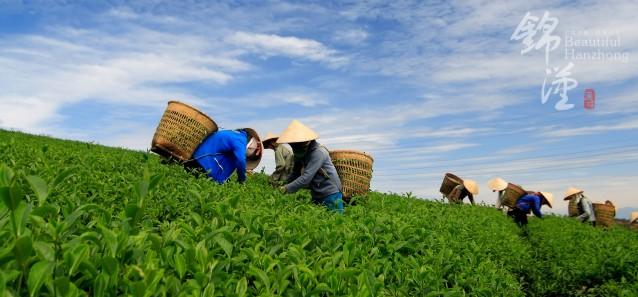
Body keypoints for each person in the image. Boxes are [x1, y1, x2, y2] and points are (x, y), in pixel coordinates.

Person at [277, 120, 344, 214]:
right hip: (317, 192)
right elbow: (295, 173)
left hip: (330, 193)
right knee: (319, 221)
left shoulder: (319, 152)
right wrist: (283, 183)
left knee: (336, 221)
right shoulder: (301, 154)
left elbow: (306, 178)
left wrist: (286, 188)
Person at [185, 128, 262, 184]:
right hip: (203, 166)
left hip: (195, 160)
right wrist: (242, 180)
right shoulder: (240, 139)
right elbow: (241, 160)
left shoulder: (234, 134)